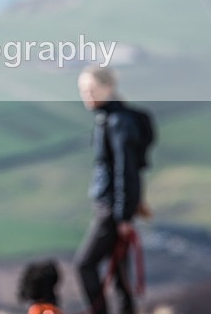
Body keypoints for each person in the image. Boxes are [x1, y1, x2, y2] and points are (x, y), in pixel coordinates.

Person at [74, 66, 151, 314]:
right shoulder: (110, 118)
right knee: (119, 269)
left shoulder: (117, 122)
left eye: (91, 89)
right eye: (83, 90)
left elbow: (125, 170)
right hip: (115, 207)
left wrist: (123, 215)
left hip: (111, 209)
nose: (87, 95)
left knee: (84, 265)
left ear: (108, 88)